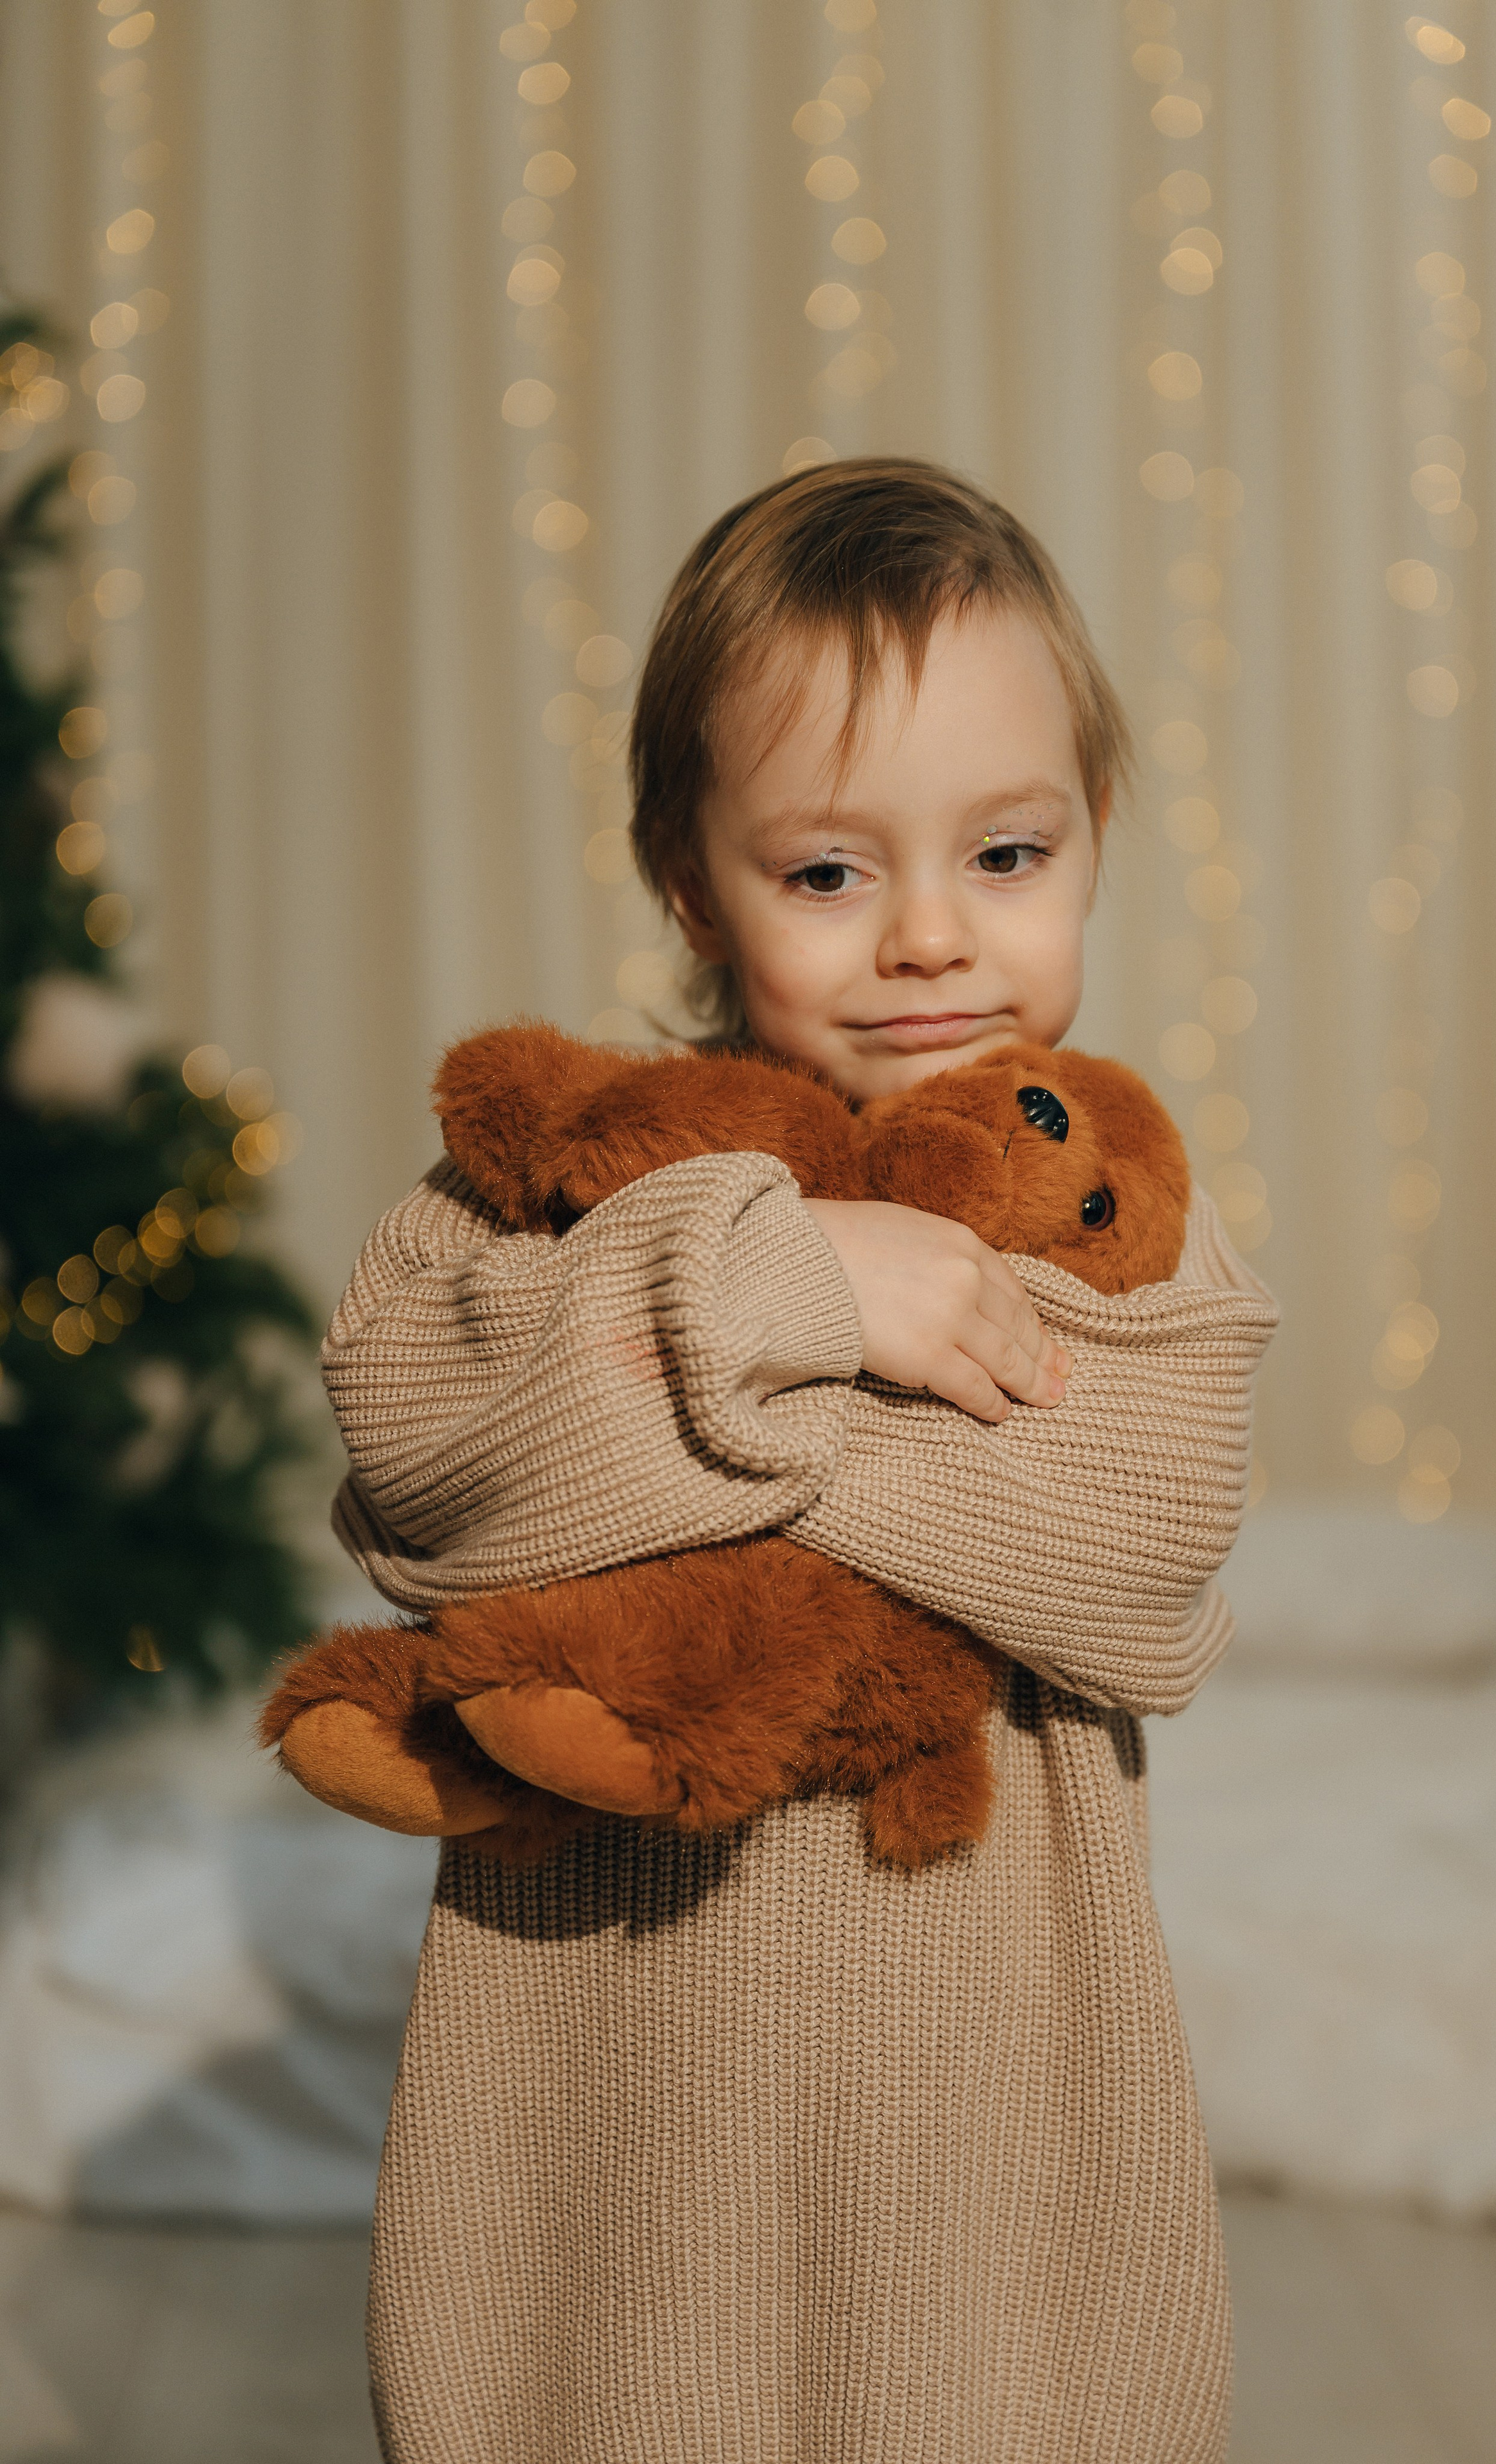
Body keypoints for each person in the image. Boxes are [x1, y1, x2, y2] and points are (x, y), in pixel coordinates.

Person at [318, 459, 1277, 2463]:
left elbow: (1135, 1550)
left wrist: (660, 1416)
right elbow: (416, 1449)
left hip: (992, 2220)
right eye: (830, 874)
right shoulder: (577, 1178)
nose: (933, 939)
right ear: (693, 885)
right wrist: (778, 1282)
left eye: (1009, 854)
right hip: (602, 2197)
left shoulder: (1116, 1210)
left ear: (1094, 835)